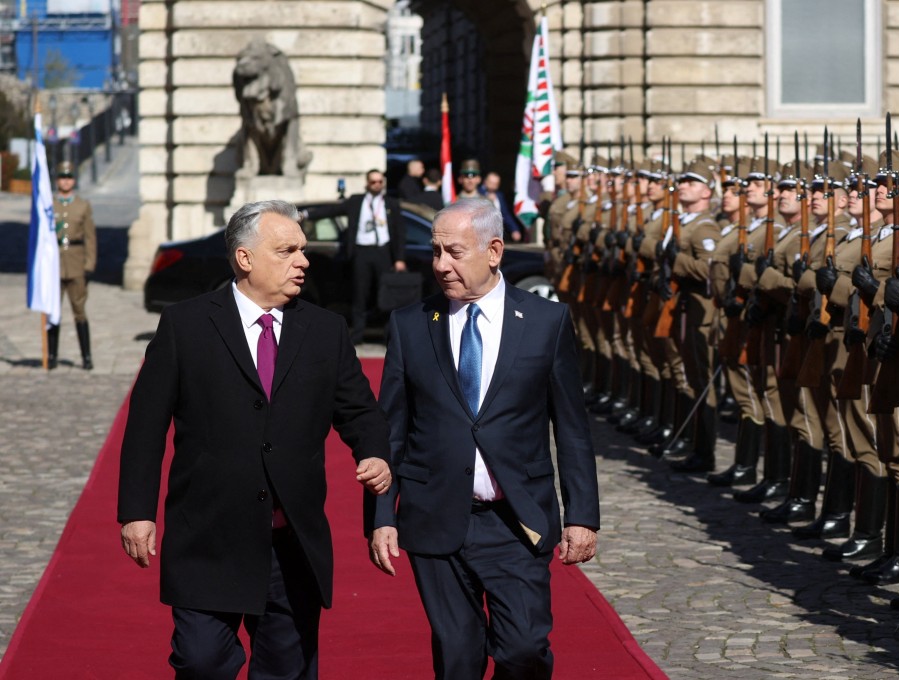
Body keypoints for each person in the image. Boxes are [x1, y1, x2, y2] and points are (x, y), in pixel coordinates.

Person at [118, 200, 393, 678]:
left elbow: (361, 413)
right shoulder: (186, 325)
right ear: (245, 259)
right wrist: (137, 511)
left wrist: (373, 453)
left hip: (291, 547)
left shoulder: (326, 330)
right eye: (286, 251)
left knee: (287, 669)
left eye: (303, 250)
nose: (303, 261)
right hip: (207, 538)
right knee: (201, 663)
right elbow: (145, 425)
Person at [368, 197, 600, 679]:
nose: (440, 265)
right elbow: (389, 431)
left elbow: (571, 427)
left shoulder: (545, 322)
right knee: (457, 657)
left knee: (524, 651)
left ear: (494, 251)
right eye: (435, 253)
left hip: (516, 518)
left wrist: (582, 515)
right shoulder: (411, 325)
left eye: (453, 252)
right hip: (435, 515)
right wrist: (381, 515)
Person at [342, 169, 407, 344]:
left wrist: (399, 258)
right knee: (360, 295)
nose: (377, 185)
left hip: (383, 252)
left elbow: (400, 232)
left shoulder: (390, 203)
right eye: (373, 182)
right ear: (367, 184)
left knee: (386, 295)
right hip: (362, 251)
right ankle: (357, 336)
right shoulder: (357, 201)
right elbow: (332, 209)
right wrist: (306, 214)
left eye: (380, 182)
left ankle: (388, 337)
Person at [50, 160, 97, 370]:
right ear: (57, 180)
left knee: (79, 310)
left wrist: (89, 265)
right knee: (53, 313)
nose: (65, 181)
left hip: (76, 264)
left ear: (74, 181)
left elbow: (90, 237)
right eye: (62, 177)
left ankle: (86, 356)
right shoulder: (50, 204)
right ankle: (52, 355)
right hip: (54, 265)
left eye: (69, 177)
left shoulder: (82, 205)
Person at [480, 171, 524, 242]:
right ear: (485, 181)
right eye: (491, 182)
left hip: (496, 232)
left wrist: (514, 229)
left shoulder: (499, 195)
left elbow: (505, 214)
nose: (493, 186)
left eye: (495, 184)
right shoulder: (478, 193)